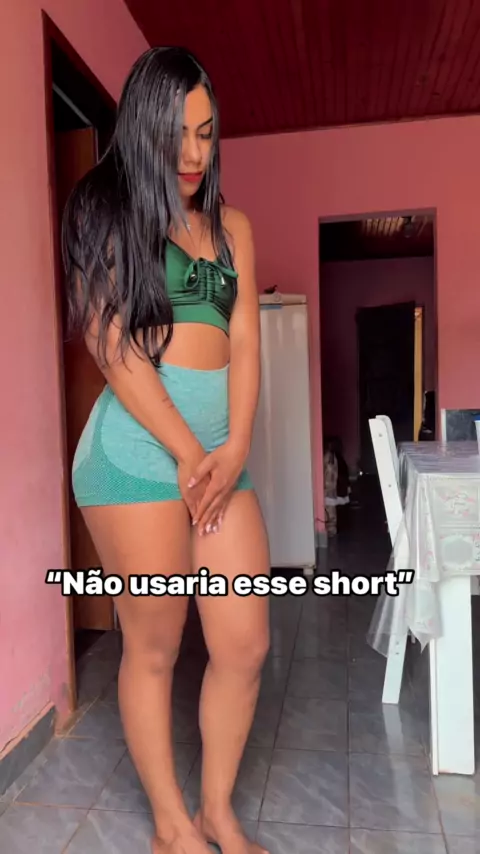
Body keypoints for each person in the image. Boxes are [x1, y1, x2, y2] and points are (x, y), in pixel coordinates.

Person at [62, 46, 270, 854]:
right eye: (176, 134)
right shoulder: (103, 208)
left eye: (206, 134)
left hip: (219, 456)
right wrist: (189, 453)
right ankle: (172, 828)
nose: (193, 153)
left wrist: (235, 446)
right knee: (155, 645)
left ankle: (217, 810)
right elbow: (111, 346)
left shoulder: (233, 228)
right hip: (140, 454)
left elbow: (244, 344)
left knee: (244, 643)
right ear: (141, 128)